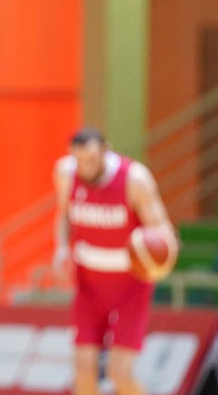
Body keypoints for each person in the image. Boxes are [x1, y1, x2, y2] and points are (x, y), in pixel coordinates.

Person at [52, 128, 176, 395]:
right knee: (83, 369)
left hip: (130, 285)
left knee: (119, 373)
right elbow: (63, 215)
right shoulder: (65, 173)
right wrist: (61, 248)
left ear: (107, 151)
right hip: (89, 286)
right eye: (80, 161)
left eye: (92, 161)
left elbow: (163, 230)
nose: (86, 168)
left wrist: (164, 256)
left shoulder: (135, 179)